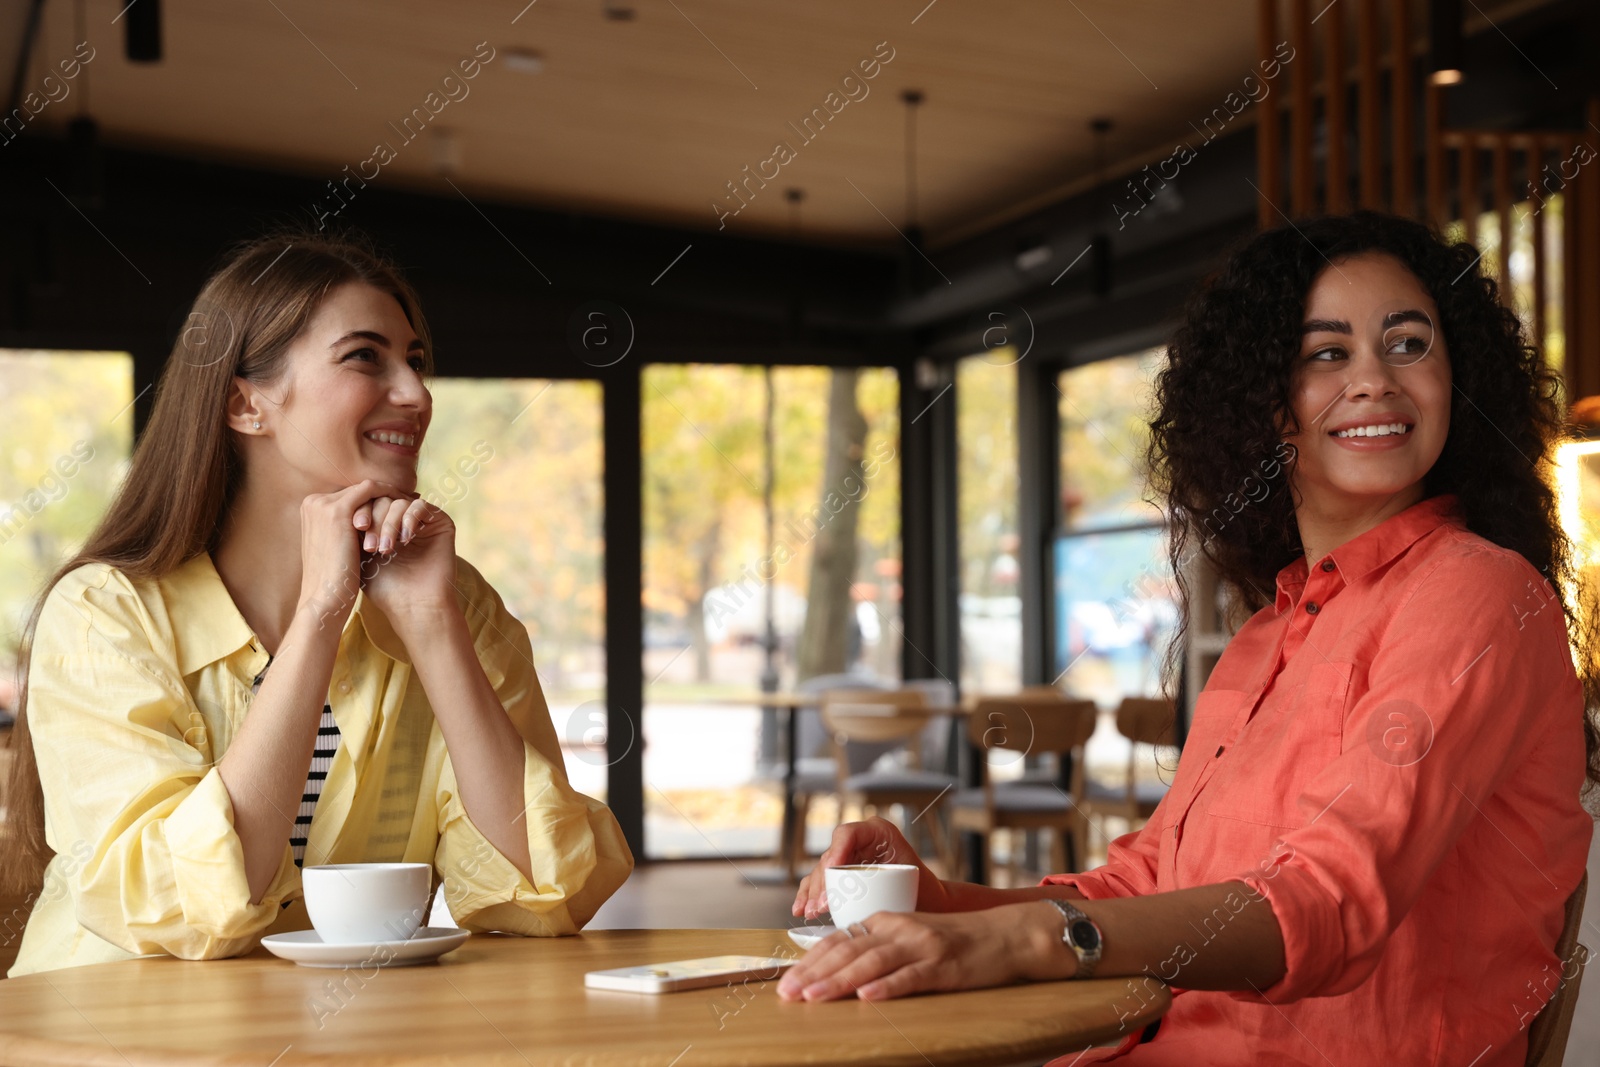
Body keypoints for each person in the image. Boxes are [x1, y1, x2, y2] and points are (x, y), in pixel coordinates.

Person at [779, 210, 1599, 1066]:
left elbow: (1330, 900)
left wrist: (1026, 942)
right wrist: (939, 903)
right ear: (1261, 403)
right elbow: (1149, 883)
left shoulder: (1477, 592)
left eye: (1409, 344)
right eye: (1326, 353)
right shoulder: (1270, 634)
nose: (1374, 381)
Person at [3, 232, 633, 977]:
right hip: (115, 1040)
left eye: (417, 360)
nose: (417, 393)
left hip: (332, 1042)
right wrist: (320, 614)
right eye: (366, 356)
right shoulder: (105, 613)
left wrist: (434, 628)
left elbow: (547, 892)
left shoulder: (455, 605)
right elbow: (175, 907)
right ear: (246, 403)